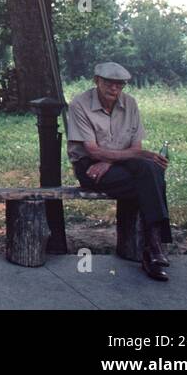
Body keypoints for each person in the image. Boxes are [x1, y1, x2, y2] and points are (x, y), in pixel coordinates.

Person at [67, 62, 173, 281]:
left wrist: (111, 161)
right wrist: (114, 159)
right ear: (96, 80)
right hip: (90, 167)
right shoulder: (80, 104)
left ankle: (152, 248)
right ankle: (154, 248)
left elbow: (135, 148)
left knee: (151, 168)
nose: (114, 89)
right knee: (150, 176)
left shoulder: (130, 104)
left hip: (118, 162)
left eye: (120, 85)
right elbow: (92, 150)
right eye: (109, 83)